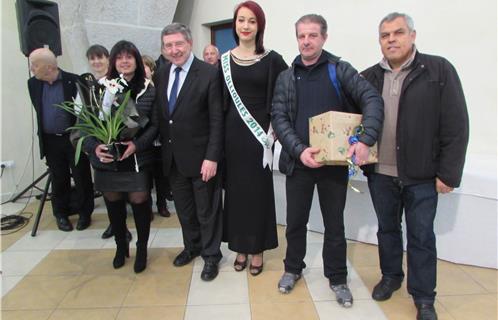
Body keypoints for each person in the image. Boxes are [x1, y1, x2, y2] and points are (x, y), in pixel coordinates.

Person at [361, 13, 469, 320]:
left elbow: (456, 125)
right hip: (380, 172)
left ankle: (423, 297)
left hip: (421, 175)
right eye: (385, 35)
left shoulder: (437, 70)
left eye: (398, 33)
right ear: (379, 41)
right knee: (387, 230)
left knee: (421, 236)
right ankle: (391, 276)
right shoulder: (367, 76)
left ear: (413, 35)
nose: (391, 39)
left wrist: (448, 173)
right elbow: (353, 122)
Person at [271, 14, 383, 308]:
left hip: (334, 165)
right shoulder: (286, 76)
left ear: (324, 38)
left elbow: (372, 99)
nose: (306, 41)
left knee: (335, 224)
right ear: (297, 38)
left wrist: (366, 139)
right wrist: (299, 150)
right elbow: (279, 118)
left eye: (312, 35)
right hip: (299, 162)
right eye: (301, 36)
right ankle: (293, 268)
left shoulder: (340, 70)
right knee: (295, 222)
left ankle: (337, 278)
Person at [221, 0, 287, 276]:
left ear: (259, 26)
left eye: (252, 21)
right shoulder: (224, 60)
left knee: (258, 195)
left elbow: (284, 96)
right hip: (232, 138)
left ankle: (257, 249)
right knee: (235, 194)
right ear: (235, 24)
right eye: (241, 20)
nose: (245, 26)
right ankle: (239, 246)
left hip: (260, 138)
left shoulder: (272, 59)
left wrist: (275, 128)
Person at [153, 23, 223, 281]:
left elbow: (217, 120)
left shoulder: (208, 74)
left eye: (178, 44)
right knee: (184, 211)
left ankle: (211, 256)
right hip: (173, 159)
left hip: (203, 159)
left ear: (189, 44)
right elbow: (163, 118)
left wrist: (212, 157)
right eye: (168, 45)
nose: (174, 50)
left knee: (207, 212)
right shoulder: (161, 73)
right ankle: (192, 247)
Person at [83, 40, 157, 273]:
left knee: (139, 202)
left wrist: (136, 144)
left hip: (136, 156)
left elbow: (152, 126)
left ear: (136, 60)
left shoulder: (147, 88)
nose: (124, 61)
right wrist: (94, 147)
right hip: (107, 157)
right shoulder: (98, 87)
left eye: (129, 57)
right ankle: (120, 244)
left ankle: (142, 248)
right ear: (113, 61)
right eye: (119, 57)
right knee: (113, 203)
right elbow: (84, 125)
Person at [27, 48, 95, 232]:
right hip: (50, 141)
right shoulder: (33, 84)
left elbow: (85, 111)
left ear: (48, 66)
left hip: (73, 139)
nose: (31, 68)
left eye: (34, 64)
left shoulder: (74, 80)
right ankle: (61, 214)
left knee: (82, 176)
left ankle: (85, 213)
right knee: (59, 178)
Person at [84, 44, 133, 241]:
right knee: (110, 196)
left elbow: (132, 119)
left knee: (129, 196)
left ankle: (125, 229)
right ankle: (116, 227)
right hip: (100, 152)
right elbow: (83, 124)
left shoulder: (119, 85)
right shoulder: (88, 87)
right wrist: (93, 145)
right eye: (92, 59)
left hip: (122, 150)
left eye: (100, 58)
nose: (96, 62)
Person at [142, 54, 173, 218]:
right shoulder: (139, 90)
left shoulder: (160, 87)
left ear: (152, 70)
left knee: (161, 178)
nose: (143, 69)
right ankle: (147, 208)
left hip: (160, 141)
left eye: (146, 66)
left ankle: (162, 205)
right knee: (146, 178)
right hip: (145, 142)